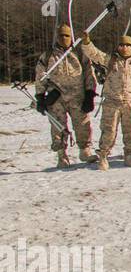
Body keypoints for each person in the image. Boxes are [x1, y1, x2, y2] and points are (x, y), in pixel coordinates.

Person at [80, 33, 131, 170]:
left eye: (127, 45)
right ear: (118, 47)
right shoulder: (110, 60)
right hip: (112, 103)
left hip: (130, 103)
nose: (124, 48)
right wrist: (87, 42)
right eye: (121, 45)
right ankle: (103, 155)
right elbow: (94, 54)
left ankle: (130, 156)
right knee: (109, 131)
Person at [33, 24, 97, 166]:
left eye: (67, 35)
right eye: (61, 35)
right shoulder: (48, 55)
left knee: (82, 124)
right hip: (57, 99)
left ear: (71, 36)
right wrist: (40, 97)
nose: (64, 38)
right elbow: (40, 76)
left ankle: (85, 151)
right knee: (57, 127)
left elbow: (89, 74)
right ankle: (62, 155)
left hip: (78, 97)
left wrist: (90, 94)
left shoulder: (79, 53)